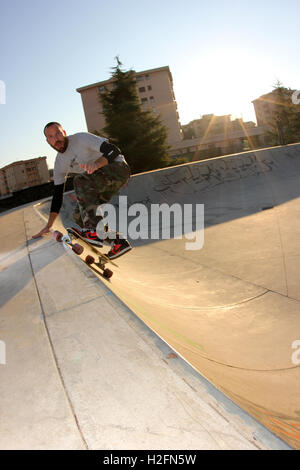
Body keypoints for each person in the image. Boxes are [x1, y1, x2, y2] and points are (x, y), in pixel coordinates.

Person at [32, 122, 132, 259]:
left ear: (64, 133)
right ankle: (118, 242)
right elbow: (57, 196)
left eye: (58, 134)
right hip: (100, 184)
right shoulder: (59, 163)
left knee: (80, 180)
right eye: (51, 137)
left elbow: (113, 150)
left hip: (117, 168)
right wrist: (49, 225)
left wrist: (97, 164)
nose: (56, 139)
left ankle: (93, 231)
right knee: (79, 216)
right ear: (48, 141)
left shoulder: (81, 139)